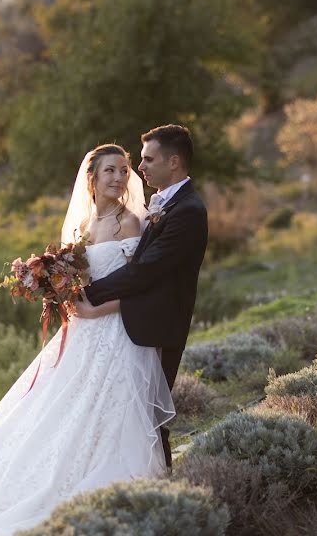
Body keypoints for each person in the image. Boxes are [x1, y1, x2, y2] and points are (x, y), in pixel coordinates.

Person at [0, 144, 175, 536]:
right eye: (110, 171)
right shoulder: (81, 229)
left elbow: (141, 286)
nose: (118, 178)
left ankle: (120, 496)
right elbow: (79, 281)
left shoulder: (131, 223)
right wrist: (53, 286)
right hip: (81, 332)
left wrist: (97, 310)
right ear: (91, 179)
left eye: (124, 170)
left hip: (117, 331)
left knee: (114, 408)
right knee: (60, 407)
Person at [77, 124, 209, 471]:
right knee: (132, 415)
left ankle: (162, 490)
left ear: (174, 162)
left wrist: (85, 295)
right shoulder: (164, 203)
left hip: (159, 327)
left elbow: (145, 271)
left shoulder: (188, 211)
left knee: (148, 418)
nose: (140, 168)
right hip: (136, 324)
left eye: (148, 160)